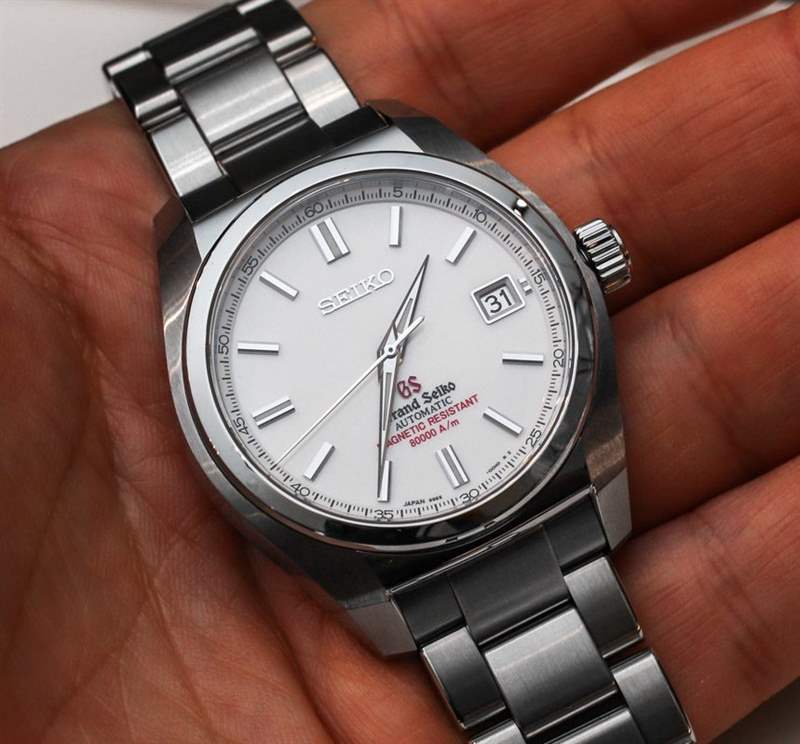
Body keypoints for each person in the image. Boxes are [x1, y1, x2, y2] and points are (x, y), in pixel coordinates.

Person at [2, 1, 798, 741]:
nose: (392, 359)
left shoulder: (420, 178)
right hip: (406, 564)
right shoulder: (200, 285)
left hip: (536, 484)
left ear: (584, 262)